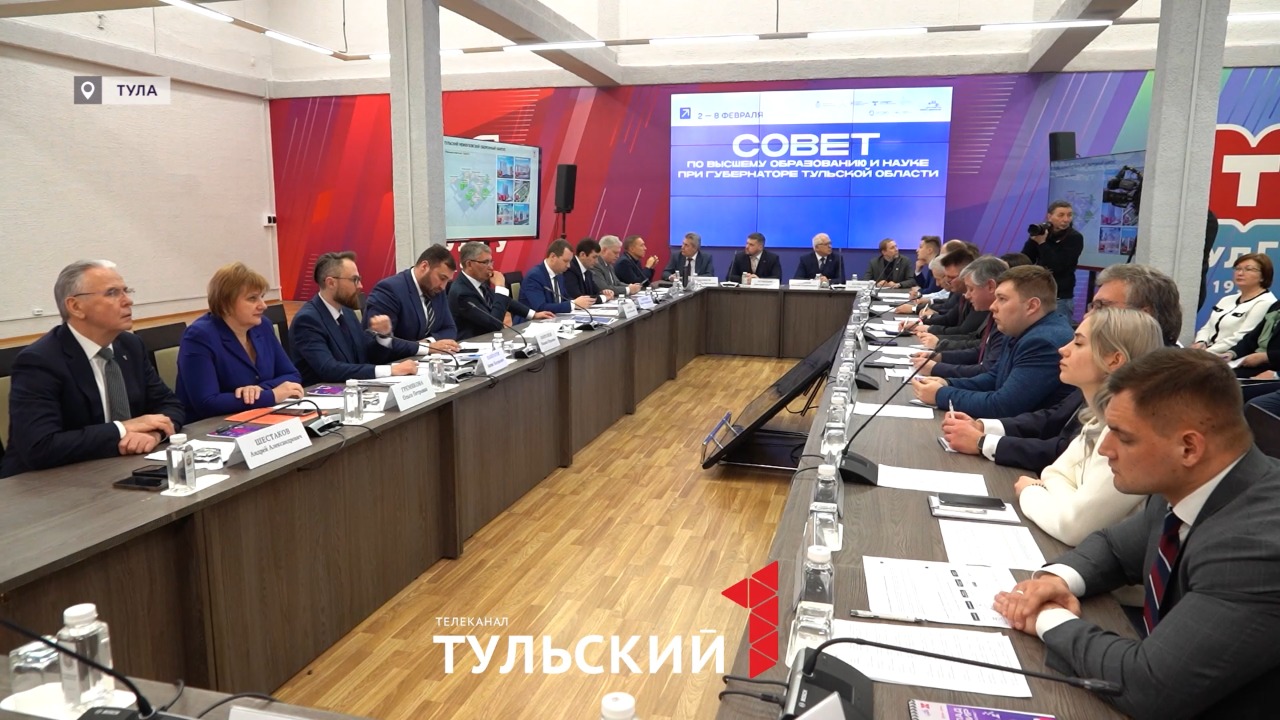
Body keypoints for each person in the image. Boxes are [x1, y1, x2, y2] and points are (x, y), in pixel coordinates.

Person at [993, 349, 1280, 719]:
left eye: (1124, 437)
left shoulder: (1257, 548)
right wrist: (1054, 581)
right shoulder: (1193, 483)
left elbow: (1148, 687)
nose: (1106, 449)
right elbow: (1113, 547)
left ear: (1189, 447)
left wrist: (1048, 618)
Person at [942, 263, 1184, 472]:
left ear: (1143, 315)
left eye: (1102, 307)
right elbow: (1056, 417)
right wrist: (984, 427)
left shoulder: (1161, 388)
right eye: (1092, 306)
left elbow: (1073, 456)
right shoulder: (1122, 365)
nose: (1088, 316)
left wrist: (983, 441)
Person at [1, 260, 184, 477]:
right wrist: (123, 428)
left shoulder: (130, 345)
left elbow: (170, 405)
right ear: (76, 307)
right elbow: (40, 446)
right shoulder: (39, 361)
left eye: (126, 291)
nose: (128, 301)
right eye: (112, 293)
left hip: (119, 469)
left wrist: (154, 433)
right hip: (43, 485)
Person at [1013, 308, 1164, 545]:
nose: (1063, 349)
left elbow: (1074, 529)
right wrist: (1071, 503)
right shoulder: (1096, 418)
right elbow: (1053, 473)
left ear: (1114, 360)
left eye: (1078, 343)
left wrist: (1031, 492)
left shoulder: (1132, 433)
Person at [914, 265, 1074, 417]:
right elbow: (993, 377)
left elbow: (1004, 405)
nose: (993, 306)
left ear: (1032, 306)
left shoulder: (1043, 342)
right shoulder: (1020, 328)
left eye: (1002, 299)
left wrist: (941, 395)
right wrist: (947, 383)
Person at [176, 262, 304, 422]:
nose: (263, 306)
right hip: (211, 425)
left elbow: (292, 375)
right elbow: (206, 403)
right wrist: (270, 395)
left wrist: (258, 390)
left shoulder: (262, 326)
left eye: (262, 297)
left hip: (259, 417)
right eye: (252, 298)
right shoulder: (199, 336)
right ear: (225, 304)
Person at [290, 251, 426, 385]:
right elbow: (329, 369)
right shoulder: (307, 321)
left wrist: (383, 337)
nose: (360, 286)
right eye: (354, 280)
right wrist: (390, 370)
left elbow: (365, 357)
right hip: (323, 393)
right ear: (331, 283)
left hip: (355, 389)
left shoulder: (347, 312)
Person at [915, 257, 1008, 378]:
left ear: (991, 286)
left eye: (971, 289)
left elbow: (988, 372)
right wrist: (940, 357)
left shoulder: (1007, 321)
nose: (967, 295)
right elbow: (982, 350)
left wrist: (938, 369)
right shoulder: (993, 313)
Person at [448, 242, 555, 340]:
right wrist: (500, 287)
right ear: (469, 264)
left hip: (489, 341)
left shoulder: (478, 282)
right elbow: (494, 324)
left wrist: (533, 315)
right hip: (473, 345)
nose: (491, 267)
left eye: (491, 262)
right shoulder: (462, 293)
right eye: (485, 262)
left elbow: (505, 301)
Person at [364, 245, 460, 353]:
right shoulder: (389, 289)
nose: (443, 286)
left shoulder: (436, 290)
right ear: (424, 266)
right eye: (442, 278)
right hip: (396, 361)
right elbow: (382, 342)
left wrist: (428, 342)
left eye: (447, 281)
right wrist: (427, 348)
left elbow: (450, 329)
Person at [1194, 253, 1276, 354]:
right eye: (1237, 269)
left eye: (1248, 269)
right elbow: (1208, 327)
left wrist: (1206, 353)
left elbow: (1241, 337)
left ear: (1263, 276)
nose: (1240, 273)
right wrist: (1201, 342)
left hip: (1231, 356)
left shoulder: (1266, 302)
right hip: (1206, 353)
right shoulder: (1226, 299)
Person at [1021, 201, 1083, 320]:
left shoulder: (1075, 238)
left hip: (1060, 297)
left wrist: (1042, 243)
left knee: (1059, 329)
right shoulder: (1042, 234)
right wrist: (1033, 240)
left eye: (1069, 215)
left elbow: (1057, 266)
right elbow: (1026, 260)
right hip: (1038, 293)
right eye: (1061, 215)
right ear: (1049, 216)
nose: (1066, 219)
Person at [522, 240, 595, 314]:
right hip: (532, 320)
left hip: (555, 317)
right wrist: (573, 304)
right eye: (565, 261)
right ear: (553, 256)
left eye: (569, 262)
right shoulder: (534, 276)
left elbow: (565, 298)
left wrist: (579, 302)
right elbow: (540, 307)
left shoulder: (559, 274)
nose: (569, 266)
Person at [1222, 299, 1280, 377]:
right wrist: (1232, 353)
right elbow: (1251, 338)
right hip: (1254, 363)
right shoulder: (1277, 305)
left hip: (1273, 368)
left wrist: (1266, 357)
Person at [563, 238, 614, 303]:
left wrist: (603, 292)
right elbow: (577, 297)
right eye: (594, 257)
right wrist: (603, 298)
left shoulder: (588, 271)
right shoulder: (570, 269)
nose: (596, 262)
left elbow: (595, 291)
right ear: (582, 255)